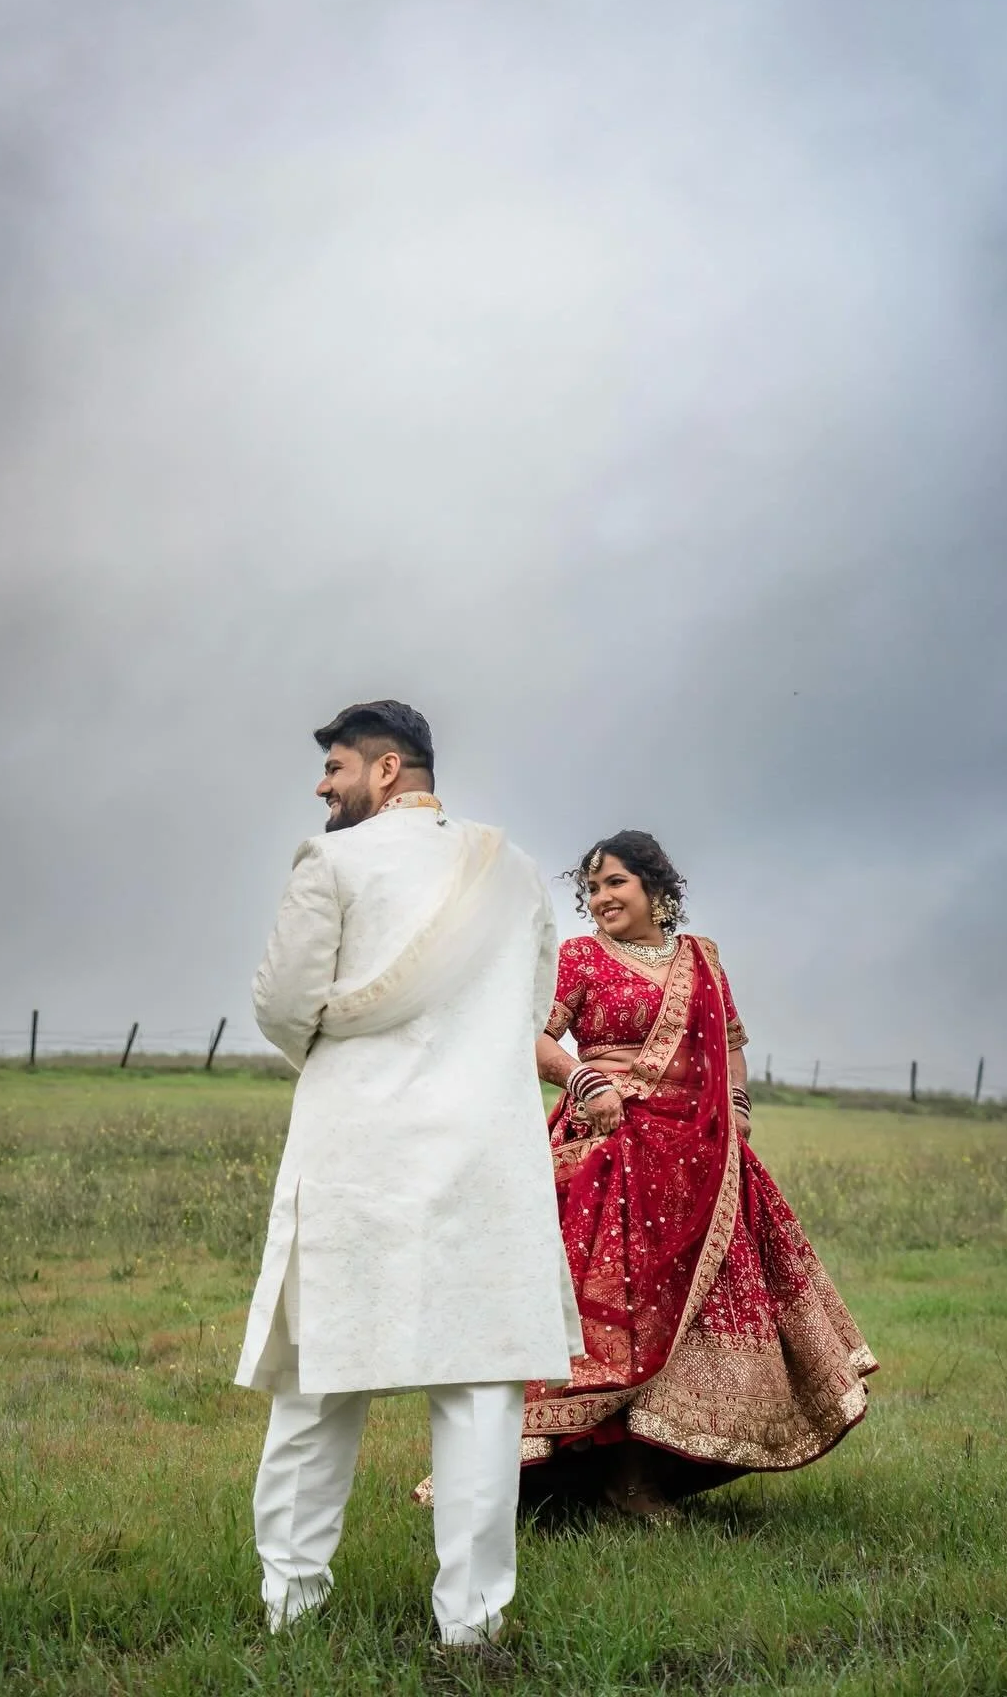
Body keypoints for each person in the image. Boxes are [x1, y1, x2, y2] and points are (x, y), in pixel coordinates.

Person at [236, 700, 581, 1651]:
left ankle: (290, 1610)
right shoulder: (511, 872)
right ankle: (471, 1629)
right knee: (478, 1398)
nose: (323, 786)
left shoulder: (331, 863)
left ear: (389, 771)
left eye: (337, 767)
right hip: (484, 1162)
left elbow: (280, 1006)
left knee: (317, 1388)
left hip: (358, 1159)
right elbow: (534, 1001)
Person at [524, 830, 877, 1519]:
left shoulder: (703, 961)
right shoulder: (579, 958)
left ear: (656, 887)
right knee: (622, 1322)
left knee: (693, 1323)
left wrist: (737, 1106)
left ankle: (650, 1475)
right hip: (612, 1154)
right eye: (592, 888)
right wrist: (584, 1077)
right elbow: (531, 1033)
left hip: (702, 1162)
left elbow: (732, 1048)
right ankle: (610, 1483)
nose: (601, 899)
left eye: (615, 883)